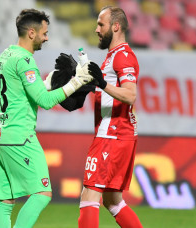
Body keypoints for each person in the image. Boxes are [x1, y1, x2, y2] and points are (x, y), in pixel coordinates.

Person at [0, 9, 92, 228]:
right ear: (32, 33)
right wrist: (77, 82)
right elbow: (45, 102)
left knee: (5, 202)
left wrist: (44, 83)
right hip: (19, 137)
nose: (47, 38)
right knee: (42, 192)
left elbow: (19, 94)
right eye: (44, 33)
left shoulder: (6, 55)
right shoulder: (25, 60)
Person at [78, 6, 143, 228]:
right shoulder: (114, 56)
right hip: (118, 135)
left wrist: (102, 84)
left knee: (89, 196)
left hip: (112, 136)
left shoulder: (123, 56)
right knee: (113, 201)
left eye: (101, 24)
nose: (97, 29)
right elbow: (109, 95)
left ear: (115, 26)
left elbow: (130, 94)